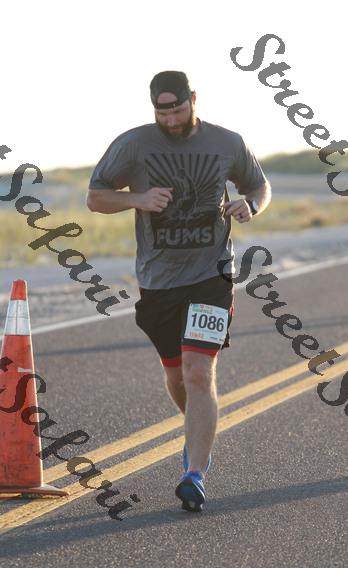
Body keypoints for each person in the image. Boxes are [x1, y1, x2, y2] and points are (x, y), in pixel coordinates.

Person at [87, 70, 271, 512]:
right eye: (162, 112)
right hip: (158, 282)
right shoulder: (133, 144)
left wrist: (251, 204)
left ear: (193, 99)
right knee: (175, 375)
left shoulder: (227, 142)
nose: (171, 119)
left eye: (178, 109)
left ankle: (195, 473)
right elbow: (95, 197)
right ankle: (197, 431)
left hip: (212, 275)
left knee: (197, 371)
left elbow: (259, 185)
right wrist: (136, 199)